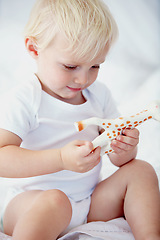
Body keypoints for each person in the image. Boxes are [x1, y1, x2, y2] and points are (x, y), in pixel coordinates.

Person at [0, 0, 159, 239]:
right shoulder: (26, 98)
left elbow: (117, 158)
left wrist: (124, 149)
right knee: (54, 200)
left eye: (95, 65)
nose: (83, 79)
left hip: (88, 201)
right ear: (34, 49)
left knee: (141, 171)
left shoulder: (99, 94)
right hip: (30, 204)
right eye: (71, 66)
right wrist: (61, 159)